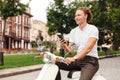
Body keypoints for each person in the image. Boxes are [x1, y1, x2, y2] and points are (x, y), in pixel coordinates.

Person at [55, 7, 99, 80]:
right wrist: (64, 46)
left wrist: (74, 58)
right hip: (78, 60)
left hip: (90, 61)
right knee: (55, 63)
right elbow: (70, 51)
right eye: (75, 15)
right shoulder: (73, 31)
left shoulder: (93, 29)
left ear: (86, 16)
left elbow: (88, 49)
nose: (76, 17)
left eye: (79, 15)